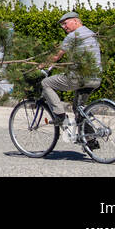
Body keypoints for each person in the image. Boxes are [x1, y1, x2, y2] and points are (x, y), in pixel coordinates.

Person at [41, 11, 102, 140]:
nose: (64, 27)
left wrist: (41, 65)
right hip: (95, 78)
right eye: (62, 25)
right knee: (78, 108)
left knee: (46, 83)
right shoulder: (91, 33)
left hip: (78, 78)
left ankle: (60, 115)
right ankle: (90, 140)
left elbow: (57, 56)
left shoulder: (73, 36)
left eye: (65, 23)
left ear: (75, 21)